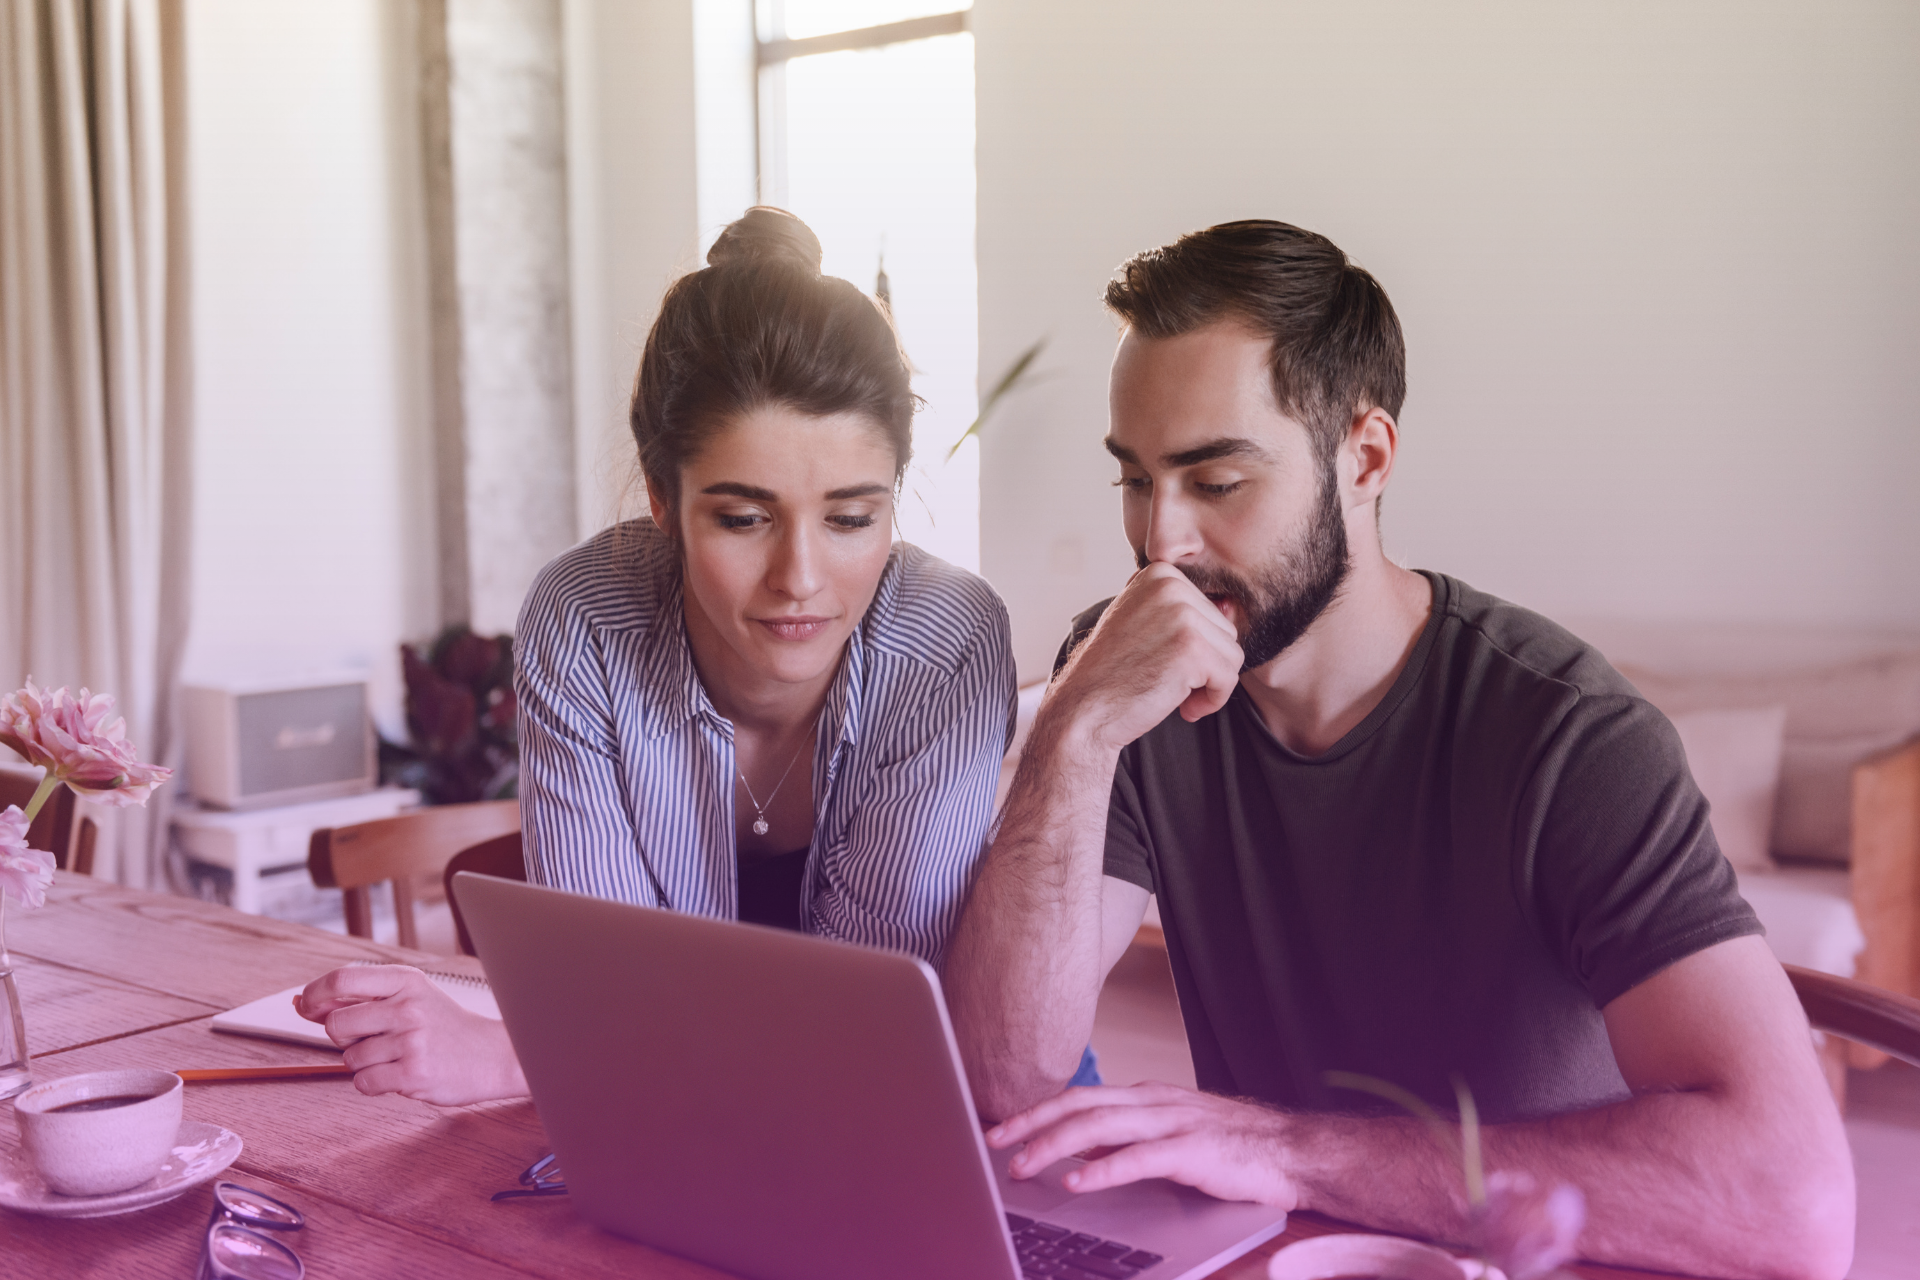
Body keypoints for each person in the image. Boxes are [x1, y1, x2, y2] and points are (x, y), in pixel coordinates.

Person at [942, 220, 1854, 1280]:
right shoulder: (1131, 680)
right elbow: (1002, 1077)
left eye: (1217, 481)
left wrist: (1285, 1148)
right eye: (1136, 481)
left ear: (1365, 457)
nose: (1162, 543)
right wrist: (1075, 726)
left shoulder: (1569, 735)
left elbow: (1795, 1201)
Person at [297, 207, 1021, 1105]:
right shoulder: (588, 619)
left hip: (931, 1110)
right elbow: (609, 986)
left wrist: (519, 1060)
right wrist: (586, 1042)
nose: (799, 578)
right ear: (661, 498)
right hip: (678, 1116)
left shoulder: (948, 644)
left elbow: (860, 1031)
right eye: (743, 518)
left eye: (849, 519)